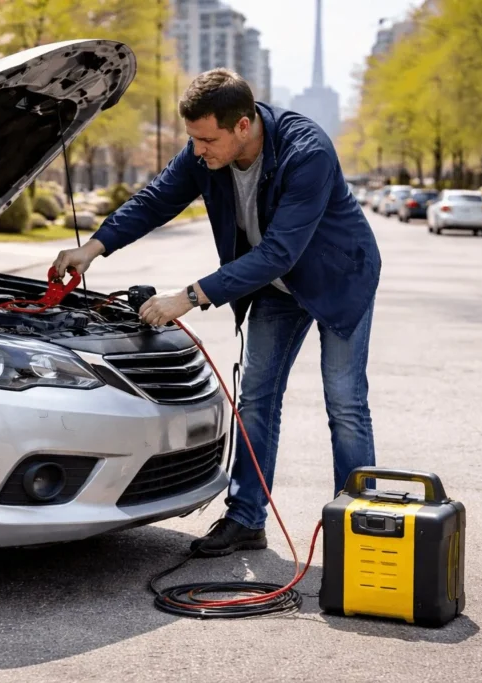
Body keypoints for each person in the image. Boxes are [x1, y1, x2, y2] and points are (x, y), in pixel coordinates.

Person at [52, 68, 381, 557]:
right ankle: (246, 519)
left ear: (243, 127)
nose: (198, 149)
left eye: (206, 139)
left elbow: (279, 252)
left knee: (345, 404)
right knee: (256, 399)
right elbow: (156, 199)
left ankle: (360, 525)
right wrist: (95, 247)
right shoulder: (204, 151)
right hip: (271, 288)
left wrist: (187, 296)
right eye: (193, 139)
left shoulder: (306, 152)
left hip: (338, 278)